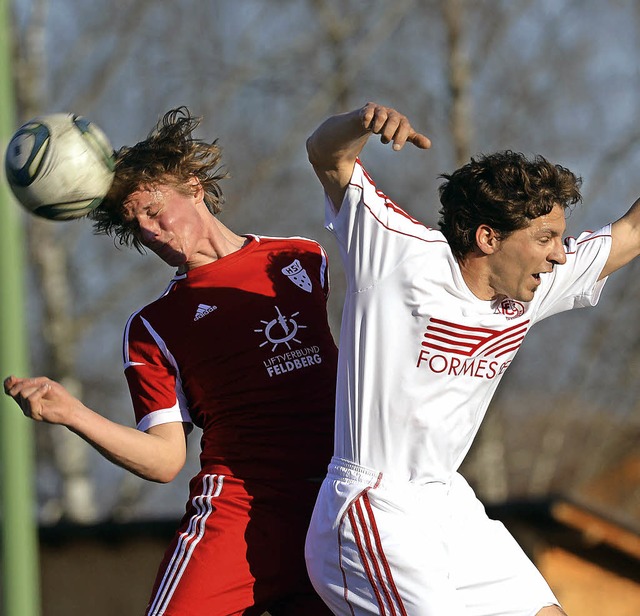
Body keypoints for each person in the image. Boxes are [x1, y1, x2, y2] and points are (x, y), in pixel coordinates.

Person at [303, 102, 640, 616]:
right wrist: (360, 123)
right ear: (488, 238)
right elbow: (326, 155)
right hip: (372, 506)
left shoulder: (532, 289)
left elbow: (632, 233)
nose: (560, 255)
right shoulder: (397, 256)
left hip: (447, 504)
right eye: (545, 239)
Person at [4, 107, 338, 616]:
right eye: (136, 225)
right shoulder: (154, 327)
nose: (150, 230)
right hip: (243, 515)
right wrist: (71, 413)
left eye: (155, 210)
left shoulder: (302, 259)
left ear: (193, 185)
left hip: (336, 512)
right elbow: (164, 461)